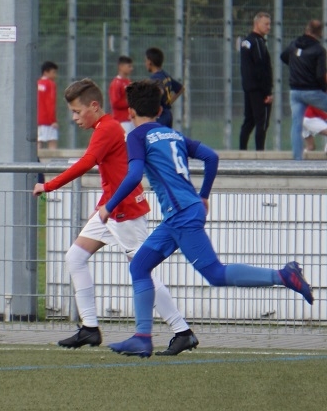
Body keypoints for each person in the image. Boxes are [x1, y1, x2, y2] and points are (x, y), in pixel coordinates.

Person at [101, 80, 314, 358]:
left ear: (130, 112)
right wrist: (203, 196)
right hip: (181, 214)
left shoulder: (137, 136)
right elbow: (211, 157)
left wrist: (109, 206)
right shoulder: (172, 134)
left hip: (181, 215)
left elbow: (133, 176)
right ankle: (142, 337)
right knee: (140, 266)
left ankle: (284, 276)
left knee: (215, 273)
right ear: (159, 110)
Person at [33, 79, 197, 356]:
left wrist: (47, 185)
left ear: (94, 106)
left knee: (142, 271)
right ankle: (90, 328)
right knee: (75, 257)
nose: (74, 118)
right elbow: (115, 173)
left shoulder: (107, 129)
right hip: (111, 210)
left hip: (125, 212)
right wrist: (102, 206)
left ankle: (182, 331)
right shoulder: (105, 128)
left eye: (77, 111)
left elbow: (86, 163)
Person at [282, 20, 327, 160]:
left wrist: (296, 66)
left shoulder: (294, 44)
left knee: (296, 125)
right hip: (312, 91)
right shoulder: (319, 50)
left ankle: (297, 160)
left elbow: (283, 56)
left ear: (307, 29)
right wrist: (324, 89)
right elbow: (320, 75)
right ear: (320, 32)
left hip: (295, 91)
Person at [239, 12, 274, 151]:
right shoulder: (257, 42)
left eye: (269, 24)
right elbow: (261, 67)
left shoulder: (246, 42)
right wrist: (267, 92)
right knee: (262, 121)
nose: (269, 27)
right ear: (257, 23)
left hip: (249, 88)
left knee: (249, 120)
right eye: (266, 24)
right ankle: (260, 153)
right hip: (259, 89)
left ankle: (242, 150)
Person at [145, 47, 183, 129]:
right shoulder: (166, 75)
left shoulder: (154, 78)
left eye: (146, 61)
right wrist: (168, 102)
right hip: (168, 114)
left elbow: (160, 91)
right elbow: (180, 89)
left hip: (160, 116)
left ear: (150, 61)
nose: (145, 63)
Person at [36, 61, 59, 150]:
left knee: (38, 142)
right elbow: (50, 103)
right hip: (47, 120)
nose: (55, 75)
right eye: (53, 72)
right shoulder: (50, 84)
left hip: (37, 119)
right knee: (52, 142)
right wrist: (53, 120)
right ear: (46, 72)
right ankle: (52, 159)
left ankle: (35, 159)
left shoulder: (37, 83)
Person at [108, 55, 134, 133]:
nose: (131, 69)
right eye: (129, 66)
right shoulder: (116, 83)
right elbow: (115, 103)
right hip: (122, 121)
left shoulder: (129, 82)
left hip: (131, 119)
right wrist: (131, 102)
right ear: (121, 66)